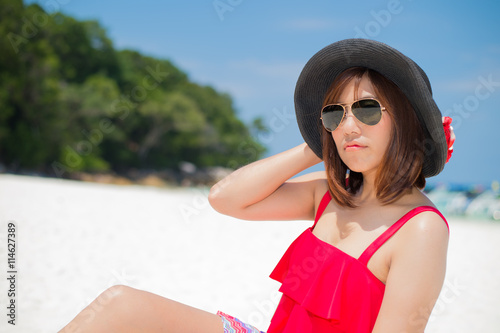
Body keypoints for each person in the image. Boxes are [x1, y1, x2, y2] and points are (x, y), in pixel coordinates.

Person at [59, 39, 455, 333]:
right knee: (119, 305)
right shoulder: (329, 194)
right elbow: (225, 199)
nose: (349, 125)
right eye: (335, 114)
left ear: (404, 119)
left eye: (367, 109)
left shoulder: (420, 229)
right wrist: (314, 146)